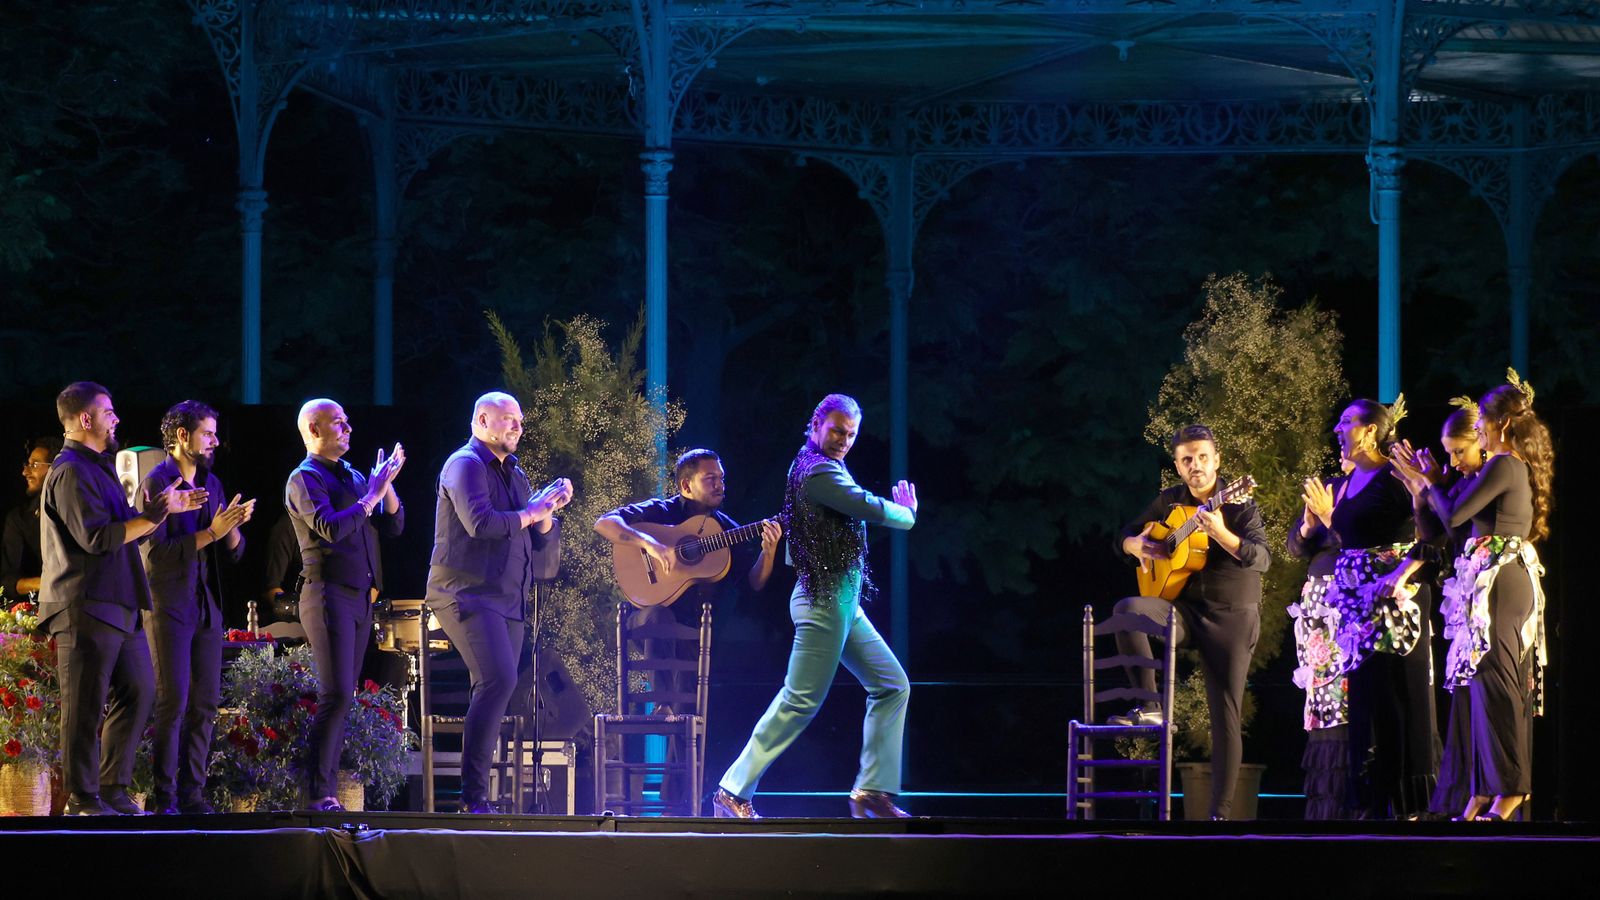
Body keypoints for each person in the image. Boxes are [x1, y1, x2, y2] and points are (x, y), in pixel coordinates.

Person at [712, 394, 916, 819]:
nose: (843, 439)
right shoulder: (817, 471)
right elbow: (866, 505)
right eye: (837, 430)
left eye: (851, 434)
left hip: (841, 602)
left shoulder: (819, 466)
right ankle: (732, 789)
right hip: (824, 602)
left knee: (893, 685)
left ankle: (872, 792)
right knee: (799, 700)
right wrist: (907, 514)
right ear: (817, 426)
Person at [39, 382, 204, 815]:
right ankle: (82, 797)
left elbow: (126, 526)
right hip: (84, 603)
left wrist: (164, 511)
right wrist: (151, 517)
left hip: (120, 604)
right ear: (86, 419)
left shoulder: (100, 467)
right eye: (108, 412)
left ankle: (112, 787)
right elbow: (97, 538)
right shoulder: (70, 470)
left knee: (140, 691)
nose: (116, 419)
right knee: (85, 705)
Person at [1396, 374, 1552, 822]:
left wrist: (1430, 486)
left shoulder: (1505, 464)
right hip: (1487, 580)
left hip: (1502, 581)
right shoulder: (1497, 467)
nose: (1480, 428)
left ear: (1501, 423)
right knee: (1480, 685)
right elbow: (1450, 527)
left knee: (1499, 685)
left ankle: (1511, 790)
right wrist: (1426, 490)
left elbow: (1457, 514)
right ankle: (1483, 790)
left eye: (1483, 421)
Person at [1113, 423, 1269, 821]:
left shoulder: (1239, 504)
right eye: (1187, 460)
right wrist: (1133, 544)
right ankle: (1150, 707)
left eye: (1202, 457)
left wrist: (1221, 535)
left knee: (1225, 714)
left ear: (1217, 460)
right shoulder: (1170, 501)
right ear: (1179, 467)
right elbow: (1127, 534)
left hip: (1231, 616)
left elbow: (1261, 558)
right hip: (1184, 612)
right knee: (1127, 610)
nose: (1195, 465)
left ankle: (1220, 814)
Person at [427, 392, 571, 814]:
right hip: (466, 593)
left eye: (520, 422)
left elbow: (538, 539)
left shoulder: (516, 474)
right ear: (483, 420)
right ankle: (473, 800)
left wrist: (547, 512)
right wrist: (532, 512)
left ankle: (476, 798)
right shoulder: (465, 464)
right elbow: (481, 523)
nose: (517, 428)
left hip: (507, 599)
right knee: (498, 681)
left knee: (496, 685)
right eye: (509, 420)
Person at [1305, 397, 1438, 819]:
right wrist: (1321, 521)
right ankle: (1371, 798)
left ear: (1370, 431)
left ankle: (1406, 801)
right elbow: (1346, 535)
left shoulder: (1394, 476)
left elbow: (1431, 532)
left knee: (1395, 696)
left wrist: (1400, 575)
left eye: (1347, 422)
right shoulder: (1344, 484)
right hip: (1355, 606)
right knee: (1365, 697)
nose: (1338, 429)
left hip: (1392, 600)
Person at [284, 398, 405, 812]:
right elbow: (330, 528)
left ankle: (325, 792)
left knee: (344, 695)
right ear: (315, 430)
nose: (349, 427)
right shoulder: (304, 478)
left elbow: (394, 525)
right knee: (334, 694)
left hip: (358, 598)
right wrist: (370, 496)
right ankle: (317, 793)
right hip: (326, 593)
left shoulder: (353, 475)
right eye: (339, 422)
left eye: (347, 420)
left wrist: (384, 489)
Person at [136, 400, 255, 814]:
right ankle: (165, 796)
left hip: (206, 605)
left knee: (205, 704)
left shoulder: (212, 482)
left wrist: (233, 529)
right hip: (168, 605)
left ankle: (194, 794)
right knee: (173, 703)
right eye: (207, 433)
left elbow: (232, 553)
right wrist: (211, 532)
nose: (215, 441)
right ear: (182, 436)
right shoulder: (156, 484)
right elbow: (157, 555)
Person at [1391, 398, 1485, 818]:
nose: (1454, 461)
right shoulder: (1460, 482)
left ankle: (1484, 795)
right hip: (1462, 598)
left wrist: (1432, 487)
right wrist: (1419, 494)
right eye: (1449, 452)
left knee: (1481, 702)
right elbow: (1435, 536)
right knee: (1462, 701)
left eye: (1459, 451)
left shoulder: (1488, 480)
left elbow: (1450, 529)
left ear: (1482, 441)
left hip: (1486, 595)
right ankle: (1456, 797)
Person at [1287, 457, 1352, 820]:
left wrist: (1331, 518)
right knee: (1326, 703)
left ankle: (1352, 807)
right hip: (1318, 611)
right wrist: (1310, 525)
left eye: (1349, 426)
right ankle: (1327, 811)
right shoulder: (1329, 485)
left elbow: (1366, 544)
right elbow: (1295, 547)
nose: (1340, 436)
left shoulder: (1377, 487)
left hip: (1351, 604)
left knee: (1352, 703)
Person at [2, 436, 61, 600]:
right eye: (28, 464)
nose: (25, 472)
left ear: (55, 469)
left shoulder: (79, 510)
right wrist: (47, 583)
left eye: (34, 465)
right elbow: (7, 580)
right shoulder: (19, 519)